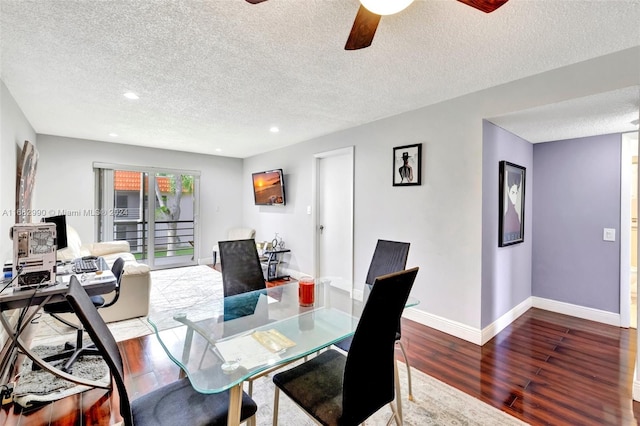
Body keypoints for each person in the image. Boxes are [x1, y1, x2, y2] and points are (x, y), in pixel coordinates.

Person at [503, 171, 522, 241]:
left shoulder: (515, 214)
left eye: (516, 192)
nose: (515, 197)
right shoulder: (508, 214)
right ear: (508, 190)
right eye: (513, 192)